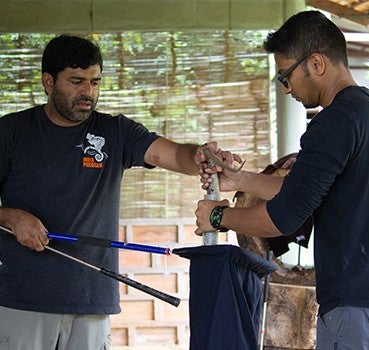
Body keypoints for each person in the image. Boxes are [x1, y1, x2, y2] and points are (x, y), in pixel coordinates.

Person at [195, 10, 369, 350]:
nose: (286, 89)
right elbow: (303, 191)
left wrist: (218, 217)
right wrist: (241, 180)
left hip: (361, 307)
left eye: (285, 76)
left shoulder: (334, 123)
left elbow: (283, 218)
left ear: (316, 63)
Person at [0, 34, 223, 350]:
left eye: (94, 82)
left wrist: (199, 154)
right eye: (76, 81)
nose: (88, 92)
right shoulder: (11, 132)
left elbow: (172, 155)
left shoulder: (115, 131)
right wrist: (11, 217)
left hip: (92, 299)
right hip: (21, 298)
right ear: (48, 82)